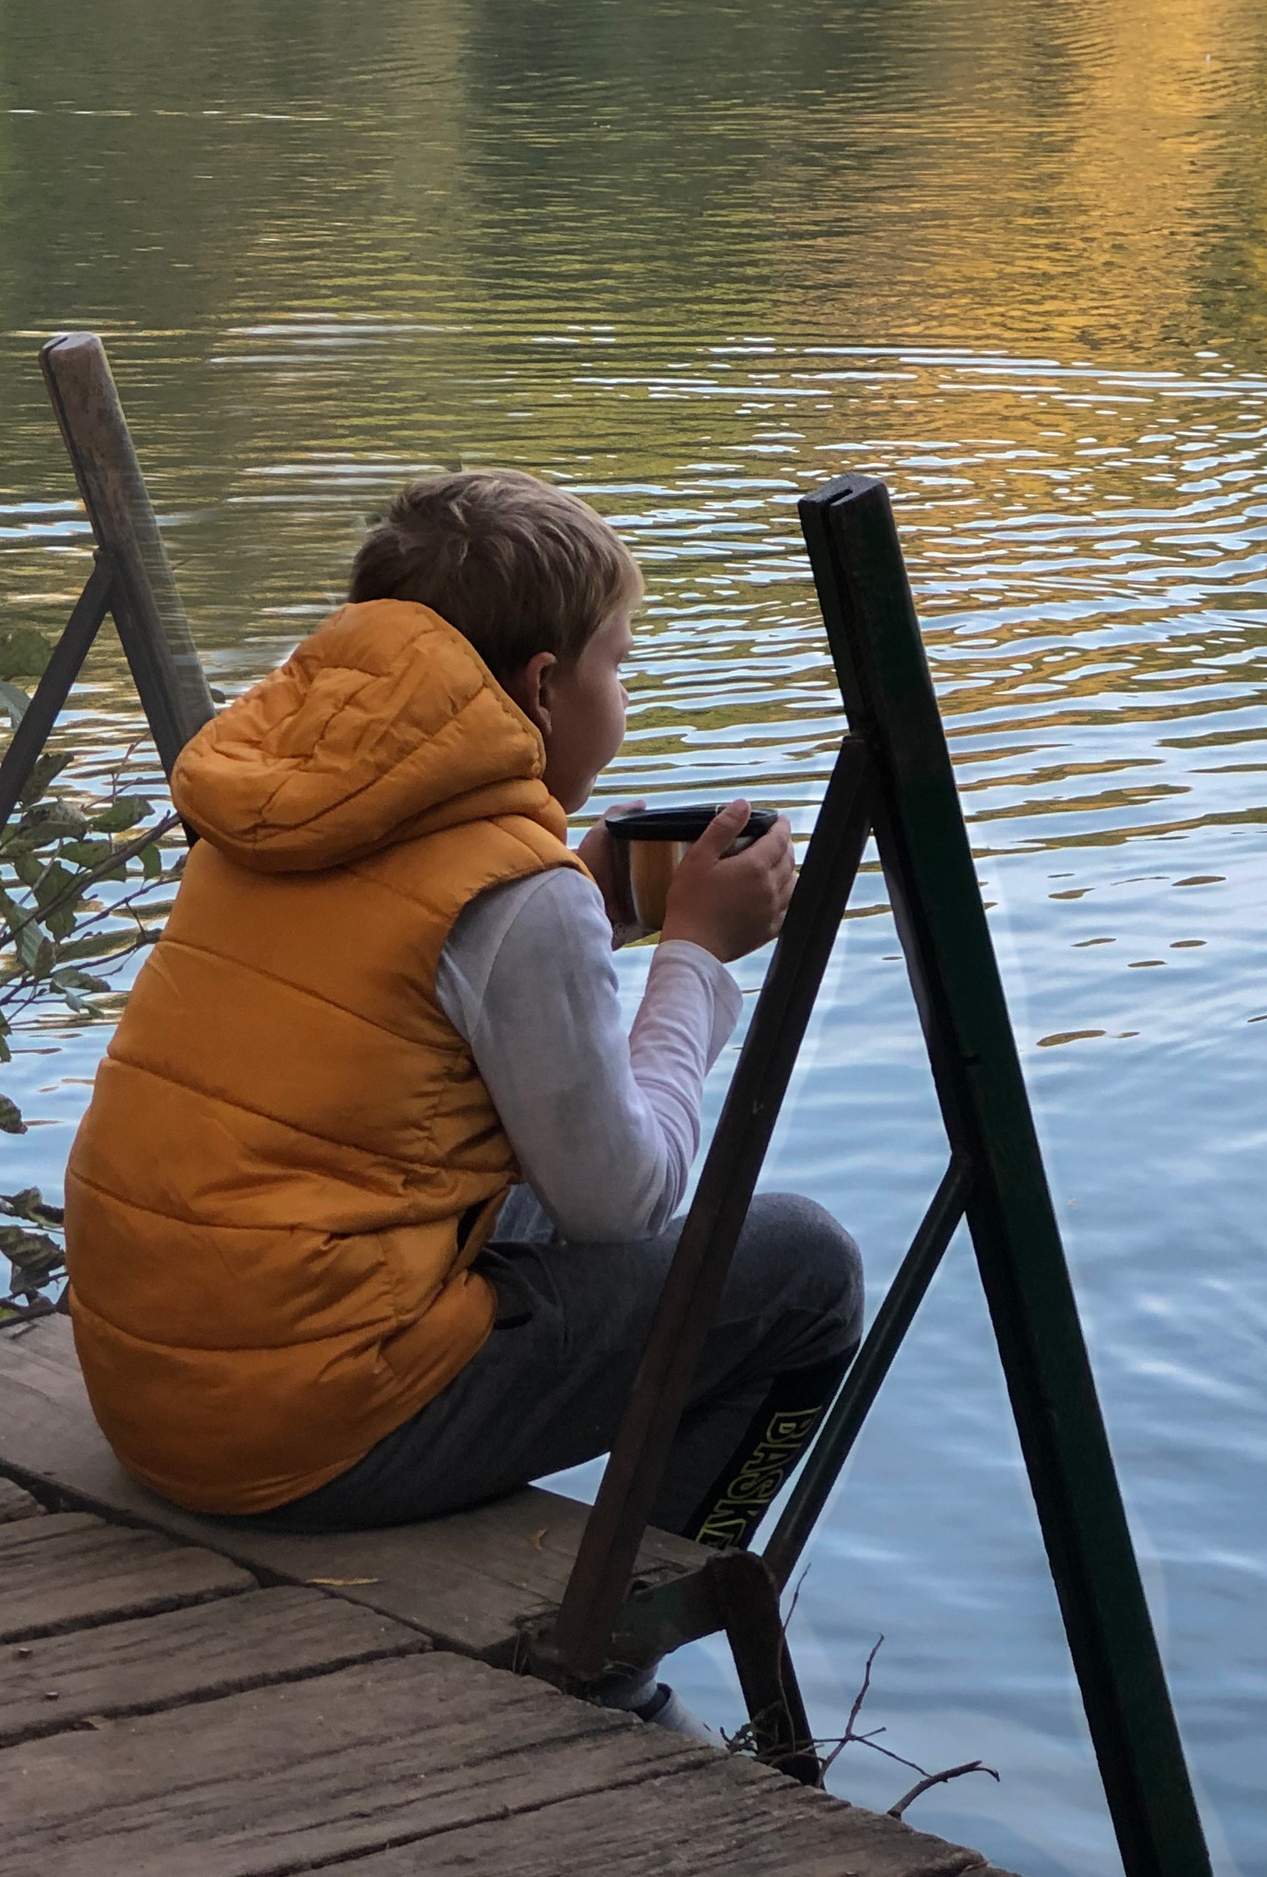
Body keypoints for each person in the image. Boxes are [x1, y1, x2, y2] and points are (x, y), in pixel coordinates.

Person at [63, 466, 861, 1723]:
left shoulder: (277, 802)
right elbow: (626, 1197)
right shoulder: (514, 890)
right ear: (546, 686)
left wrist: (595, 897)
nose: (623, 691)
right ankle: (611, 1646)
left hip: (157, 1385)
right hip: (301, 1431)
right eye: (618, 662)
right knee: (805, 1274)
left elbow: (394, 1011)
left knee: (527, 1187)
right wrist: (697, 958)